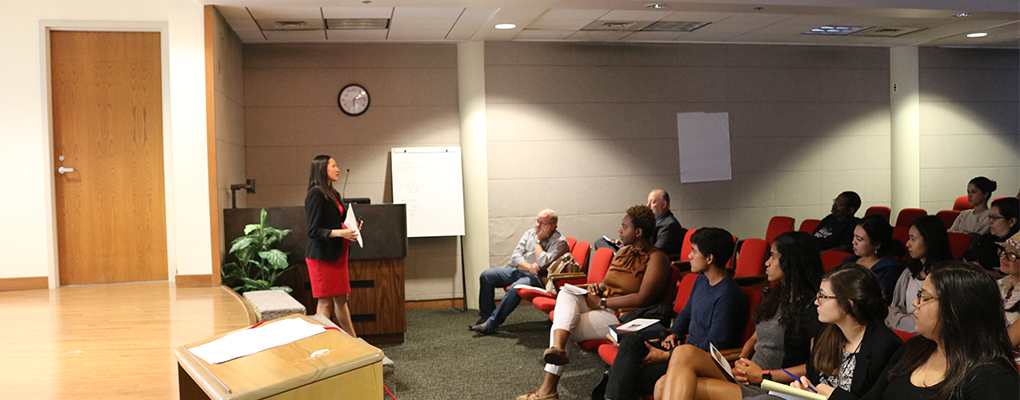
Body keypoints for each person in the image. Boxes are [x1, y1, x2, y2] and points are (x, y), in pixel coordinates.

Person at [517, 205, 671, 400]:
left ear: (638, 232)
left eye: (624, 226)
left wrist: (603, 303)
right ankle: (556, 351)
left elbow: (643, 298)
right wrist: (596, 288)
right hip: (603, 304)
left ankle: (548, 388)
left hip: (623, 316)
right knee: (566, 293)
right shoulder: (624, 253)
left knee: (565, 328)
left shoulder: (657, 259)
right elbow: (607, 283)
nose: (620, 230)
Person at [654, 231, 824, 400]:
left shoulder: (813, 307)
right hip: (747, 377)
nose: (767, 262)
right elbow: (755, 338)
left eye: (773, 256)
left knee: (665, 384)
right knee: (682, 354)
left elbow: (815, 366)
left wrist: (765, 375)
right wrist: (742, 358)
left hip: (771, 387)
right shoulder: (777, 295)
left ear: (791, 261)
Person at [603, 227, 747, 400]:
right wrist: (675, 333)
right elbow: (685, 314)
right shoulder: (701, 280)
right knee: (631, 344)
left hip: (696, 363)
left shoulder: (728, 295)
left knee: (629, 375)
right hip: (680, 349)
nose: (689, 256)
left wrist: (667, 355)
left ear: (709, 258)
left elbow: (715, 345)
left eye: (694, 251)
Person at [847, 262, 1019, 399]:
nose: (915, 303)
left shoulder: (992, 378)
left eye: (924, 297)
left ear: (956, 309)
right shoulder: (915, 348)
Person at [471, 208, 570, 335]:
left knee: (515, 288)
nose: (537, 225)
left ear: (553, 225)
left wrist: (538, 242)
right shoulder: (529, 233)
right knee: (487, 276)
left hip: (539, 277)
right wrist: (528, 266)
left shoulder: (560, 242)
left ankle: (491, 324)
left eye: (542, 223)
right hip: (522, 269)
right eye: (536, 221)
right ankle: (486, 315)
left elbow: (542, 263)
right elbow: (515, 256)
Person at [304, 155, 361, 337]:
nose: (338, 170)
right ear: (322, 169)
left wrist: (351, 227)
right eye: (334, 166)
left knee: (341, 300)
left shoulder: (332, 193)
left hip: (338, 255)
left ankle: (354, 342)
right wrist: (341, 232)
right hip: (323, 257)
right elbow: (314, 230)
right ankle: (320, 343)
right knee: (325, 302)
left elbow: (338, 221)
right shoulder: (315, 194)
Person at [885, 215, 952, 333]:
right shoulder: (909, 273)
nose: (907, 244)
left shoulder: (948, 277)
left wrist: (900, 321)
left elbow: (937, 324)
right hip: (904, 330)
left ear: (929, 240)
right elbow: (893, 310)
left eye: (913, 239)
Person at [595, 189, 686, 258]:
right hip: (636, 252)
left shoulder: (670, 225)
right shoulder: (653, 221)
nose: (648, 205)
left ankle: (617, 257)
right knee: (600, 242)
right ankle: (617, 255)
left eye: (653, 202)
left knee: (610, 253)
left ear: (664, 204)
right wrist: (625, 245)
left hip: (647, 261)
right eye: (648, 202)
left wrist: (631, 249)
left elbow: (656, 252)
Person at [841, 215, 905, 304]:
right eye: (854, 236)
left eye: (859, 239)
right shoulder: (849, 261)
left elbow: (884, 301)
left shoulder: (889, 270)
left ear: (876, 245)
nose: (853, 242)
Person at [963, 197, 1019, 273]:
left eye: (995, 218)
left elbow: (1009, 275)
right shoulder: (988, 238)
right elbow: (968, 256)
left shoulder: (1015, 247)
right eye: (990, 217)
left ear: (1012, 221)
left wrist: (982, 272)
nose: (990, 221)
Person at [995, 231, 1020, 362]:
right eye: (1004, 251)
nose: (1003, 257)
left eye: (1012, 255)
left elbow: (1007, 343)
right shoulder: (998, 285)